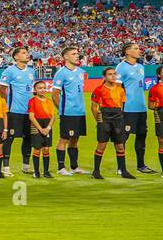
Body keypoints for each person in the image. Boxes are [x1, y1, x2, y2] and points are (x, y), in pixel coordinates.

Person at [114, 42, 155, 174]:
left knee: (142, 135)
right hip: (127, 109)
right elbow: (117, 89)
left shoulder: (141, 67)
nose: (139, 51)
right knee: (123, 137)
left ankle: (141, 165)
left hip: (141, 108)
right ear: (127, 51)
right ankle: (121, 167)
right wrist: (118, 108)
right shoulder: (121, 67)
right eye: (136, 48)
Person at [90, 67, 134, 180]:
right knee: (101, 146)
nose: (113, 76)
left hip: (118, 118)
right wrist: (99, 121)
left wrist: (121, 118)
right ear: (104, 77)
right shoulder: (99, 90)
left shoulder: (120, 89)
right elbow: (94, 107)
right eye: (110, 74)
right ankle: (96, 171)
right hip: (105, 118)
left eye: (114, 74)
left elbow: (121, 105)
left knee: (120, 146)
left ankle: (123, 170)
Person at [0, 47, 35, 177]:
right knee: (9, 138)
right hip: (14, 111)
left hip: (29, 112)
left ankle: (26, 165)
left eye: (27, 53)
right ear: (16, 57)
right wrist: (6, 107)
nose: (27, 55)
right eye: (24, 53)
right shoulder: (9, 71)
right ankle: (6, 167)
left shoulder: (31, 71)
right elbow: (2, 89)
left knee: (28, 138)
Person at [51, 46, 87, 176]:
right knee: (64, 139)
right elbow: (54, 94)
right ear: (66, 57)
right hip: (68, 112)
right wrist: (62, 111)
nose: (77, 56)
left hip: (80, 111)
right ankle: (61, 168)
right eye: (73, 54)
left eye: (77, 53)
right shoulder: (61, 73)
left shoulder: (81, 71)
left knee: (75, 139)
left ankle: (74, 167)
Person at [27, 80, 57, 178]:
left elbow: (53, 116)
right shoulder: (32, 101)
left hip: (47, 125)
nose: (42, 90)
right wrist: (40, 129)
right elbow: (31, 117)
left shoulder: (49, 100)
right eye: (39, 88)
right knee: (37, 149)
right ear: (35, 90)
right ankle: (36, 172)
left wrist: (48, 127)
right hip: (36, 126)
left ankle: (46, 172)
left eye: (44, 88)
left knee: (46, 149)